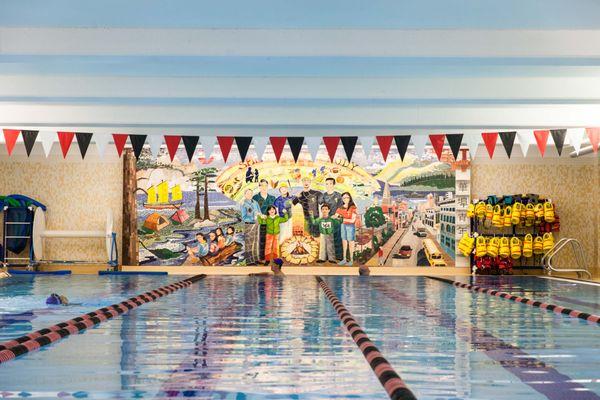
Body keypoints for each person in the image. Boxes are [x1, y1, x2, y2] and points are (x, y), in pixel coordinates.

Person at [253, 180, 276, 264]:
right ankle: (261, 257)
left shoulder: (272, 198)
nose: (264, 187)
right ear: (259, 187)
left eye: (265, 185)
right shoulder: (255, 197)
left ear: (268, 187)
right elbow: (254, 209)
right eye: (262, 185)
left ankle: (268, 258)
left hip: (270, 222)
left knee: (270, 240)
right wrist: (260, 215)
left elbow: (275, 209)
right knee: (260, 240)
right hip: (260, 222)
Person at [321, 177, 343, 259]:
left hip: (336, 219)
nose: (328, 185)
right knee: (328, 238)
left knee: (337, 237)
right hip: (327, 219)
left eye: (330, 183)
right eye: (327, 184)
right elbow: (320, 204)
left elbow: (341, 206)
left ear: (334, 184)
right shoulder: (324, 195)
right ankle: (328, 256)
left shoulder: (338, 195)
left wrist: (337, 214)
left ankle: (339, 256)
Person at [334, 192, 358, 266]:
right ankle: (344, 259)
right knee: (344, 243)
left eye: (347, 197)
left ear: (350, 198)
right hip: (343, 226)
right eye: (344, 198)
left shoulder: (353, 207)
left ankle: (351, 260)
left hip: (350, 226)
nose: (346, 199)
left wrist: (341, 218)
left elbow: (352, 220)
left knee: (351, 243)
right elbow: (335, 216)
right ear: (342, 199)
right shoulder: (340, 208)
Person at [240, 188, 261, 265]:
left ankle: (255, 259)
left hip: (257, 223)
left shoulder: (255, 202)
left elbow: (259, 212)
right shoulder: (243, 204)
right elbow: (244, 217)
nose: (250, 195)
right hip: (249, 224)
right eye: (248, 193)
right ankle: (249, 261)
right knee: (249, 243)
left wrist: (260, 216)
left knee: (256, 242)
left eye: (251, 193)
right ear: (245, 195)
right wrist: (253, 218)